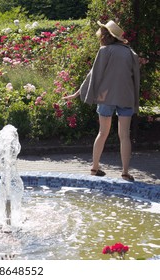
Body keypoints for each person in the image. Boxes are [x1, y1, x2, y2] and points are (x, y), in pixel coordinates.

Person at [63, 20, 140, 182]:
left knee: (102, 132)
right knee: (124, 136)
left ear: (105, 36)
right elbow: (135, 79)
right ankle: (125, 173)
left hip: (105, 97)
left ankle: (94, 167)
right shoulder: (130, 53)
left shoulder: (104, 51)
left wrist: (77, 93)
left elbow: (93, 75)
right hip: (126, 96)